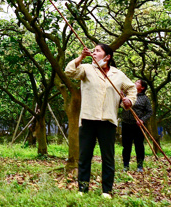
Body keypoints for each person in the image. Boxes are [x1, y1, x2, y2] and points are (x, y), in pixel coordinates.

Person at [65, 44, 136, 197]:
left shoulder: (118, 74)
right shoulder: (86, 69)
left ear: (107, 56)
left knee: (108, 157)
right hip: (88, 119)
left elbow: (131, 88)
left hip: (108, 121)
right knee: (84, 156)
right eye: (93, 51)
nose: (94, 53)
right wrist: (81, 57)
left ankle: (107, 191)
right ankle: (82, 189)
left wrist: (129, 100)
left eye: (97, 51)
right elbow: (69, 71)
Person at [121, 79, 153, 172]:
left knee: (139, 145)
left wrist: (142, 120)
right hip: (126, 123)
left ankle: (139, 166)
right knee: (126, 146)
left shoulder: (145, 99)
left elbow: (149, 111)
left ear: (142, 87)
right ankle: (126, 166)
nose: (135, 83)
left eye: (138, 82)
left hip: (138, 126)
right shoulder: (128, 95)